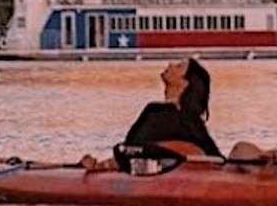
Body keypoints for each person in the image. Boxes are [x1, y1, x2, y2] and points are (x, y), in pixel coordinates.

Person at [81, 59, 219, 171]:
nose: (170, 64)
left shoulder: (158, 112)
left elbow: (132, 148)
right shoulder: (187, 119)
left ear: (184, 83)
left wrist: (100, 166)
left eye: (178, 66)